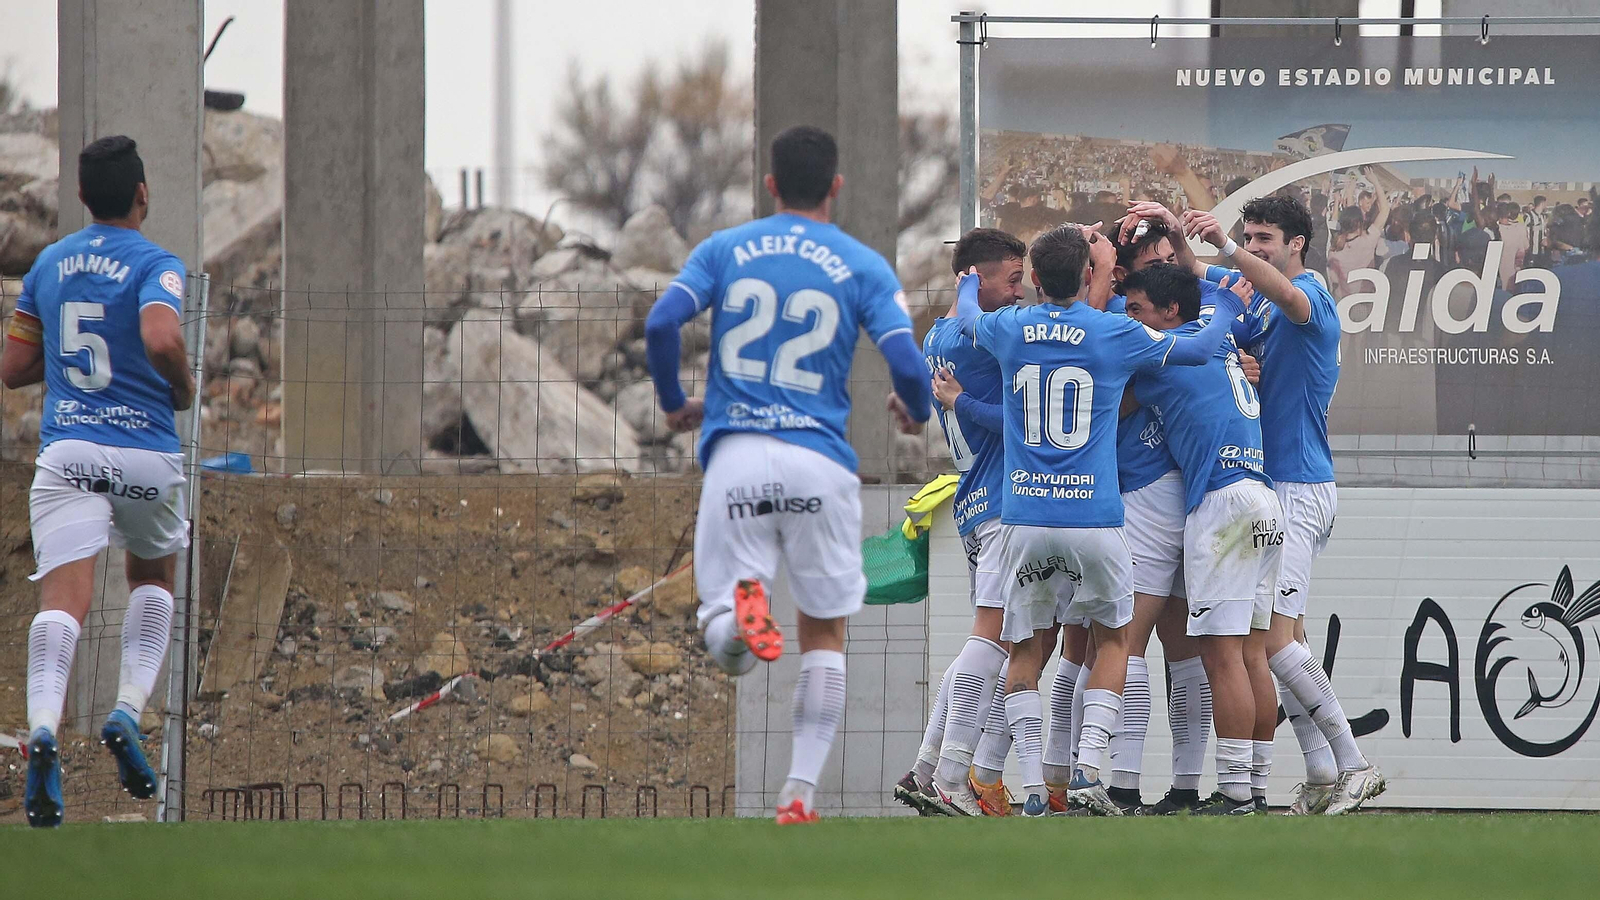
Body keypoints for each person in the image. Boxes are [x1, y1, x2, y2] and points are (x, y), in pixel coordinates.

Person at [643, 125, 931, 825]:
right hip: (819, 462)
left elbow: (659, 324)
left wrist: (677, 403)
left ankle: (740, 624)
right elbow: (908, 363)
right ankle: (799, 794)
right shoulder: (860, 264)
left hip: (738, 455)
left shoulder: (726, 249)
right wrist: (914, 411)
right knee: (825, 636)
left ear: (769, 184)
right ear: (835, 186)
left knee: (727, 636)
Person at [953, 224, 1244, 816]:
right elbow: (1193, 347)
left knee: (1027, 648)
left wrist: (965, 286)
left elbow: (967, 321)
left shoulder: (1010, 328)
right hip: (1096, 518)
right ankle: (1089, 767)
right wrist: (1226, 305)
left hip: (1025, 521)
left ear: (1034, 279)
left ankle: (1034, 783)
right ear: (1091, 277)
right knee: (1114, 642)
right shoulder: (1115, 331)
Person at [1132, 193, 1388, 815]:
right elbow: (1203, 286)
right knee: (1278, 641)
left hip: (1297, 485)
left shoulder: (1312, 298)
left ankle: (1353, 761)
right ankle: (1324, 770)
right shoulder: (1261, 305)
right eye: (1250, 236)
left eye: (1265, 239)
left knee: (1271, 643)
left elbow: (1270, 289)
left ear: (1297, 244)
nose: (1254, 247)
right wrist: (1178, 236)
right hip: (1274, 489)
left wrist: (1225, 247)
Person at [1, 136, 197, 828]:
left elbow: (14, 366)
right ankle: (126, 710)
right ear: (143, 195)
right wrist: (182, 384)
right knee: (153, 580)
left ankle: (46, 730)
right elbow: (163, 338)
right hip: (146, 456)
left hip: (70, 454)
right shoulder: (156, 263)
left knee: (64, 603)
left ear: (81, 198)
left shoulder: (49, 265)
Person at [1121, 263, 1284, 816]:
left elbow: (1110, 403)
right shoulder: (1215, 341)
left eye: (1137, 309)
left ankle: (1235, 791)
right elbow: (1215, 300)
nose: (1129, 321)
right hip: (1262, 500)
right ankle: (1257, 787)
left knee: (1222, 656)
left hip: (1223, 506)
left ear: (1171, 312)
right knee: (1252, 653)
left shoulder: (1168, 358)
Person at [894, 228, 1026, 818]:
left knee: (988, 639)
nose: (1021, 292)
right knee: (997, 641)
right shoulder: (978, 341)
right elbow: (1026, 416)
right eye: (1013, 279)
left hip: (976, 503)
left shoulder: (939, 336)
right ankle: (952, 776)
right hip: (1001, 502)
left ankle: (925, 769)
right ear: (973, 279)